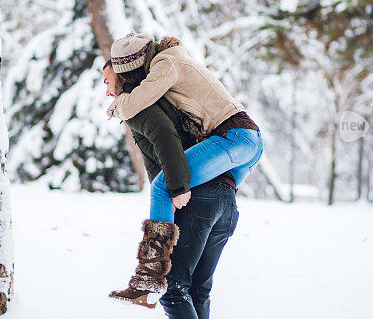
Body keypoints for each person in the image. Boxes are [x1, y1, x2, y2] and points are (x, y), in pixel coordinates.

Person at [102, 61, 239, 319]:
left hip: (199, 198)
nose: (107, 90)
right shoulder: (166, 99)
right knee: (197, 288)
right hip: (226, 198)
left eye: (108, 81)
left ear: (124, 79)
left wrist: (177, 188)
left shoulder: (138, 104)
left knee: (174, 285)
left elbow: (165, 141)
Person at [106, 32, 262, 298]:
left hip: (233, 136)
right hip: (251, 142)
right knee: (214, 196)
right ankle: (190, 269)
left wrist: (115, 107)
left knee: (162, 187)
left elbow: (137, 101)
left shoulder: (166, 63)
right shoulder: (174, 59)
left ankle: (149, 275)